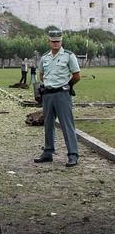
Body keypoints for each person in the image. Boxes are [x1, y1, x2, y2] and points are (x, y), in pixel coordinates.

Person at [34, 29, 81, 167]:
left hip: (62, 94)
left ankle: (73, 155)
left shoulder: (68, 56)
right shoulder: (45, 58)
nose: (56, 43)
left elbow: (77, 75)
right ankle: (48, 153)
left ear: (61, 41)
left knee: (67, 125)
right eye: (53, 41)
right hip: (48, 95)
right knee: (48, 124)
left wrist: (67, 85)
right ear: (49, 41)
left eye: (58, 41)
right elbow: (42, 75)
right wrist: (49, 85)